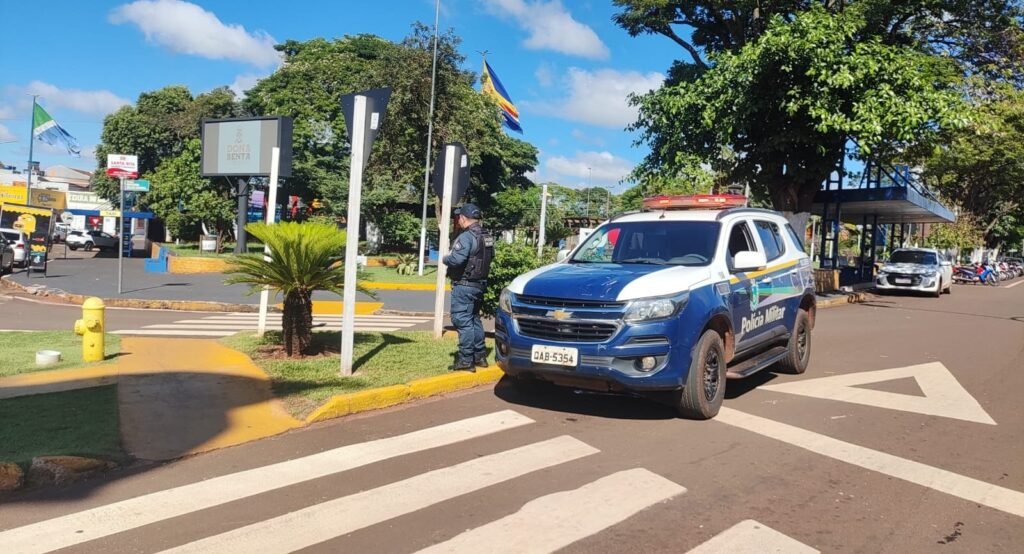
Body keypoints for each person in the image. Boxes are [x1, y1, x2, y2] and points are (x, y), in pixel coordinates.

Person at [443, 203, 494, 372]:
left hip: (464, 285)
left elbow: (457, 260)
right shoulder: (487, 236)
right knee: (474, 319)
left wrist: (445, 259)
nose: (458, 219)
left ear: (463, 218)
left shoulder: (466, 236)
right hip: (479, 285)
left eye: (459, 217)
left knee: (462, 321)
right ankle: (480, 356)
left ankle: (466, 359)